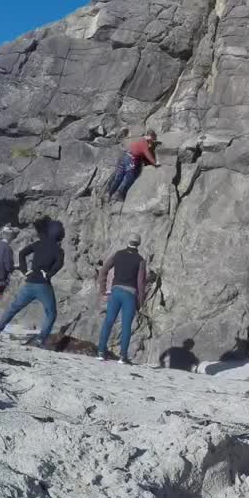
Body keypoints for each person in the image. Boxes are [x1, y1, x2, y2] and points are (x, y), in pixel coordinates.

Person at [0, 220, 65, 346]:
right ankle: (40, 340)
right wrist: (49, 274)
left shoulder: (39, 243)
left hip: (29, 283)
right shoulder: (58, 250)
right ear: (59, 234)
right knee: (51, 313)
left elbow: (22, 253)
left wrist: (25, 271)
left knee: (13, 308)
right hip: (43, 285)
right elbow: (59, 264)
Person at [95, 233, 148, 364]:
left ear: (128, 241)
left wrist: (103, 290)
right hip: (129, 295)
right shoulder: (140, 260)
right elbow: (141, 283)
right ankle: (123, 356)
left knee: (108, 321)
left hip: (116, 291)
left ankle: (101, 352)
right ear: (139, 244)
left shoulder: (117, 254)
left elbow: (103, 271)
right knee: (126, 326)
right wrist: (140, 302)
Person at [106, 130, 160, 202]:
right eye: (153, 139)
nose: (153, 141)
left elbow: (140, 153)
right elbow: (148, 154)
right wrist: (155, 163)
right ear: (151, 136)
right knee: (128, 178)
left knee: (119, 176)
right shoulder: (144, 143)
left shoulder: (140, 139)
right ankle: (118, 195)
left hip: (125, 156)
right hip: (131, 160)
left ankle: (109, 194)